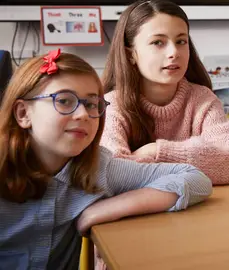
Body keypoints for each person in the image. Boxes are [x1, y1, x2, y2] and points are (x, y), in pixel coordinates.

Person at [0, 50, 211, 269]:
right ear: (23, 113)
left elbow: (196, 179)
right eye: (64, 100)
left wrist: (111, 207)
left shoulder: (98, 169)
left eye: (92, 104)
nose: (83, 114)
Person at [101, 0, 229, 185]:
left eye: (181, 41)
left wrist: (156, 151)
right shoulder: (111, 105)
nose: (173, 52)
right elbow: (113, 173)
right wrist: (199, 163)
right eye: (158, 42)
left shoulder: (202, 99)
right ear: (131, 54)